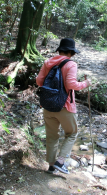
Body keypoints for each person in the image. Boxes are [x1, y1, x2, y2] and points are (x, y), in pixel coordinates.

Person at [36, 38, 91, 174]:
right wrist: (86, 83)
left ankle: (51, 166)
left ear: (59, 50)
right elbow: (72, 85)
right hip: (65, 106)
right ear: (71, 52)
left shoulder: (48, 62)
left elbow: (39, 81)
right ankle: (60, 162)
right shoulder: (71, 64)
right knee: (72, 133)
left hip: (48, 105)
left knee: (52, 136)